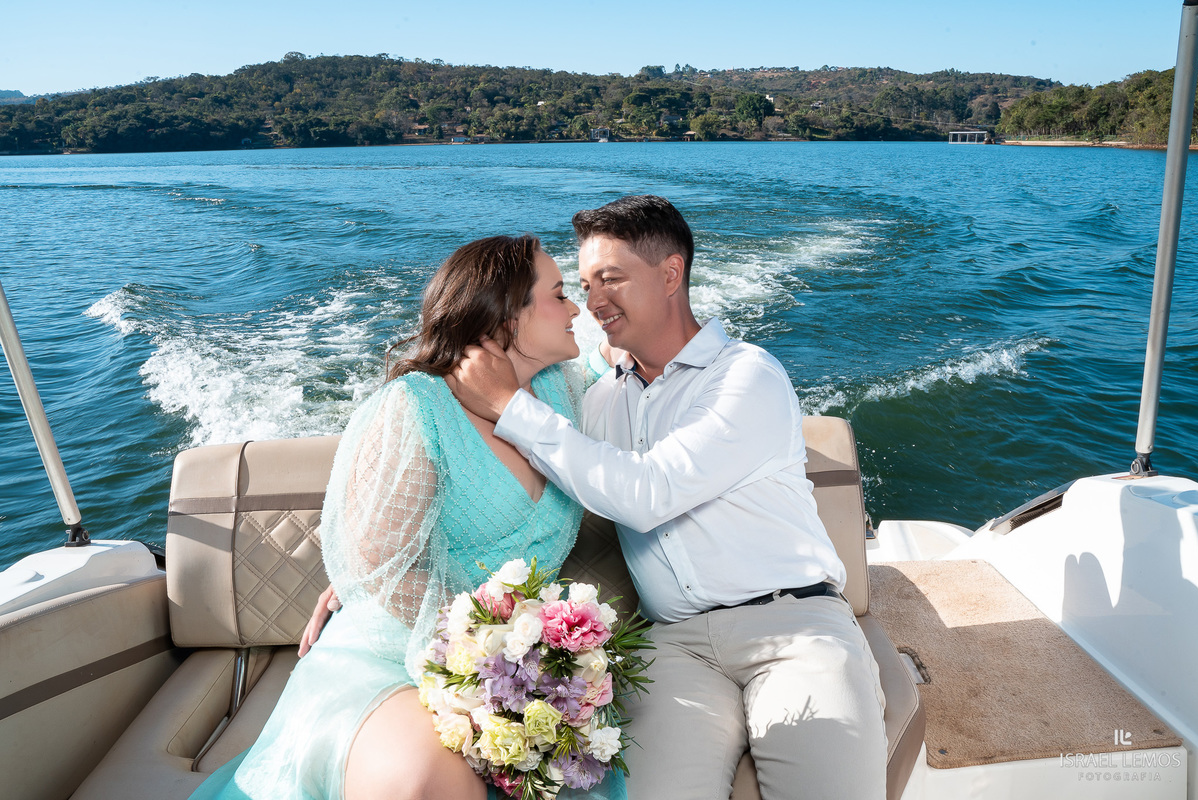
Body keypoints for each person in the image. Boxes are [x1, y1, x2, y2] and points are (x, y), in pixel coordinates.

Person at [449, 195, 887, 800]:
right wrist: (385, 553)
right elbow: (489, 466)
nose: (592, 301)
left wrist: (509, 407)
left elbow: (647, 494)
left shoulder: (746, 376)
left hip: (793, 627)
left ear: (671, 274)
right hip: (674, 645)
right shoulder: (600, 402)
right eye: (581, 284)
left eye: (611, 279)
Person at [189, 235, 626, 800]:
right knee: (426, 781)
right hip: (397, 646)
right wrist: (490, 657)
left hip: (521, 654)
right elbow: (382, 572)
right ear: (503, 317)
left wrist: (527, 662)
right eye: (561, 294)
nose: (577, 310)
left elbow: (633, 349)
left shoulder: (564, 390)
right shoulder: (415, 407)